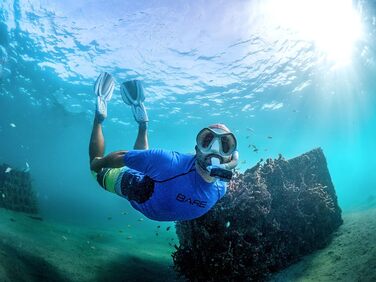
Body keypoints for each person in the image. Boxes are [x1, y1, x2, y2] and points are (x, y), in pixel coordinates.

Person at [89, 73, 239, 221]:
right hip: (126, 181)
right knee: (96, 171)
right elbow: (123, 156)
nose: (214, 150)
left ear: (232, 155)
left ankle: (143, 125)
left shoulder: (222, 187)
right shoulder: (168, 162)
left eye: (225, 145)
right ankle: (99, 118)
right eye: (207, 142)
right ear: (196, 148)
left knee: (143, 160)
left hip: (154, 180)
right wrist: (97, 164)